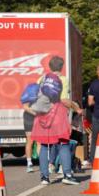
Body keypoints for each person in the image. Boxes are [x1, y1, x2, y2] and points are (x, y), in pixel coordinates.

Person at [31, 55, 80, 185]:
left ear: (50, 67)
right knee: (63, 145)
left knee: (44, 146)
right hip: (57, 116)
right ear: (62, 67)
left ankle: (44, 177)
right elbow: (63, 100)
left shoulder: (41, 79)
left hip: (42, 115)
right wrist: (76, 108)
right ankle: (67, 175)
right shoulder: (62, 79)